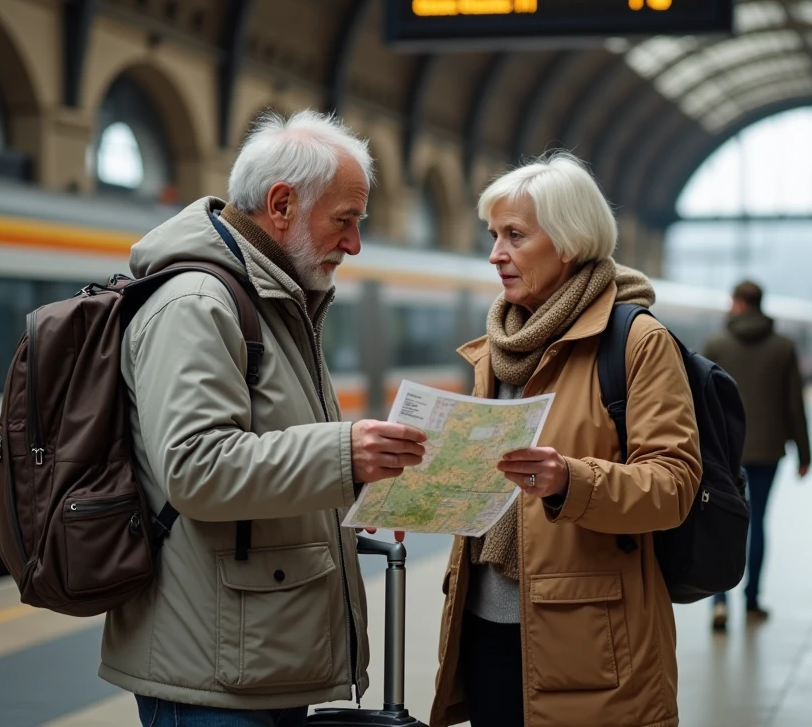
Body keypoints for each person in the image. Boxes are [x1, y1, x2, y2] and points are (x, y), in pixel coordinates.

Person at [100, 111, 428, 727]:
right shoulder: (199, 305)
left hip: (254, 657)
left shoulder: (273, 303)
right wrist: (344, 454)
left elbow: (268, 455)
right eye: (345, 220)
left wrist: (347, 495)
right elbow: (197, 469)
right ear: (282, 204)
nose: (354, 243)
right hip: (208, 675)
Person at [428, 152, 703, 727]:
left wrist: (569, 480)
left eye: (515, 236)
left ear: (569, 243)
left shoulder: (636, 341)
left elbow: (674, 485)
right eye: (493, 234)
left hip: (588, 638)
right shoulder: (498, 346)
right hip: (484, 628)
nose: (495, 253)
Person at [704, 281, 811, 632]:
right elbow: (795, 402)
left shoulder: (716, 345)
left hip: (724, 452)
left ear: (736, 304)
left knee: (722, 523)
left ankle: (719, 602)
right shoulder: (783, 347)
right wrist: (804, 452)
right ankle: (751, 601)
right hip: (767, 450)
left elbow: (700, 403)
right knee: (758, 521)